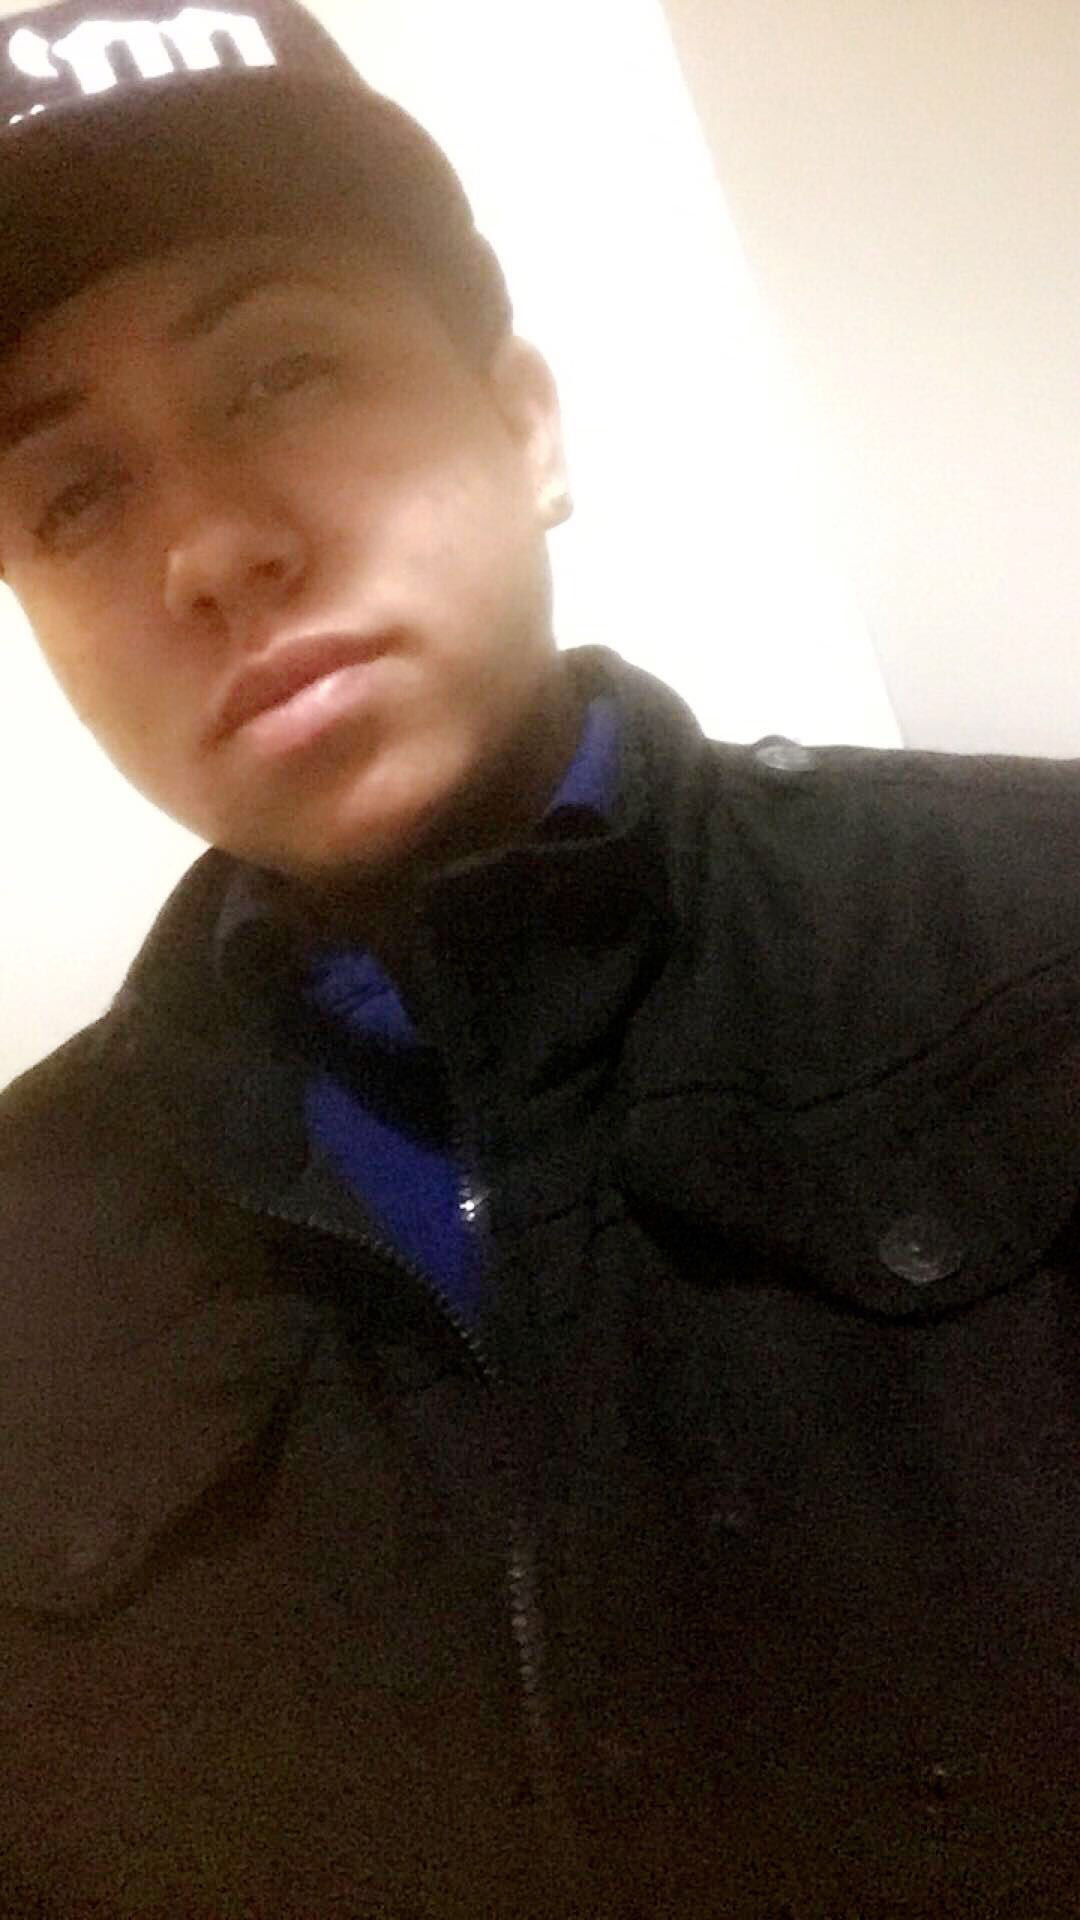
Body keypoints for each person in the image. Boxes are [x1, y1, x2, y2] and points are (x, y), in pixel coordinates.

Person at [1, 1, 1080, 1915]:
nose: (209, 551)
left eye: (280, 373)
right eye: (75, 493)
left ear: (527, 424)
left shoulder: (1038, 933)